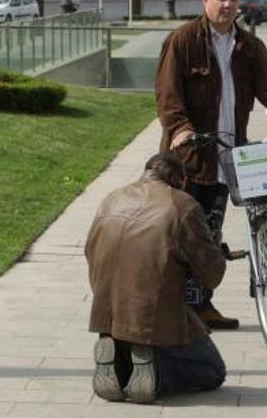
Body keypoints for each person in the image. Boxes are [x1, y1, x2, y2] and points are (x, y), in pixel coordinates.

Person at [155, 0, 267, 330]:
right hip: (189, 159)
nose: (228, 5)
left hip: (230, 157)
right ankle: (175, 307)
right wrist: (181, 129)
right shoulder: (183, 41)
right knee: (182, 236)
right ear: (206, 1)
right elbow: (168, 96)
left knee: (210, 234)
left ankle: (202, 305)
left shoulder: (249, 46)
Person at [86, 152, 227, 404]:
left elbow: (90, 251)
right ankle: (155, 371)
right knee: (213, 371)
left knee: (132, 329)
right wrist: (214, 249)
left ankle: (122, 361)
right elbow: (212, 273)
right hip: (154, 317)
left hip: (109, 314)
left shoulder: (111, 198)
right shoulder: (182, 205)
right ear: (176, 178)